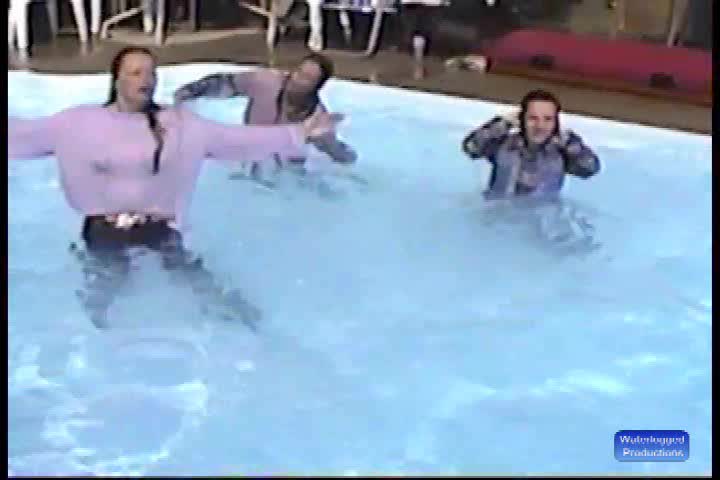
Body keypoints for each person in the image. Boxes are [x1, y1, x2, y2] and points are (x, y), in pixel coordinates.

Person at [8, 46, 343, 330]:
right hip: (103, 229)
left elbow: (234, 139)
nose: (147, 80)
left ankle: (251, 328)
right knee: (104, 294)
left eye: (151, 73)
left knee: (200, 282)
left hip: (157, 227)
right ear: (117, 79)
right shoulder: (79, 122)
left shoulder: (178, 124)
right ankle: (94, 343)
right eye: (136, 73)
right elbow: (24, 135)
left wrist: (298, 134)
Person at [173, 53, 357, 186]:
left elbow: (338, 153)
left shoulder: (316, 118)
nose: (297, 79)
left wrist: (343, 154)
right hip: (246, 165)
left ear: (317, 88)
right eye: (298, 72)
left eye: (307, 78)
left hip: (285, 181)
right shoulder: (266, 82)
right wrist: (190, 91)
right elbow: (225, 83)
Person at [462, 89, 601, 250]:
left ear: (556, 124)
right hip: (496, 221)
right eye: (533, 118)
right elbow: (471, 148)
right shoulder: (503, 145)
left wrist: (571, 143)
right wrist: (503, 123)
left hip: (542, 228)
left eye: (548, 119)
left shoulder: (562, 153)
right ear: (521, 119)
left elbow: (590, 168)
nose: (540, 126)